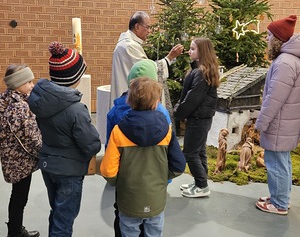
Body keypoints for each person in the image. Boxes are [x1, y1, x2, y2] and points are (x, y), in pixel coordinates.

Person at [28, 42, 101, 236]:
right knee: (65, 219)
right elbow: (90, 143)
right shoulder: (76, 109)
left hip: (48, 164)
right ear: (74, 77)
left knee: (57, 212)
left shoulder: (41, 100)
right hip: (69, 170)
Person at [101, 77, 186, 237]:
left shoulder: (118, 131)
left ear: (130, 101)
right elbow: (179, 165)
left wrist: (119, 183)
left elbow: (108, 171)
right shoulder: (167, 131)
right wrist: (162, 178)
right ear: (156, 103)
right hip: (156, 200)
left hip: (128, 200)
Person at [255, 15, 300, 215]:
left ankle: (279, 203)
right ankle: (281, 197)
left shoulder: (284, 63)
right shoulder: (290, 60)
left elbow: (274, 98)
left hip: (279, 122)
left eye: (269, 35)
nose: (266, 39)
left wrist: (261, 123)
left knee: (276, 163)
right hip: (285, 122)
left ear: (278, 39)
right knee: (283, 161)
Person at [174, 37, 220, 198]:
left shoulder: (201, 73)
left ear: (202, 52)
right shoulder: (199, 70)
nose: (189, 51)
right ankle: (200, 182)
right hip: (201, 118)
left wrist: (178, 113)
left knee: (190, 153)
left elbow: (192, 99)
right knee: (199, 151)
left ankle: (202, 185)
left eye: (193, 49)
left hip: (198, 118)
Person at [109, 10, 184, 109]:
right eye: (147, 27)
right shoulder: (129, 46)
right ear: (137, 27)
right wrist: (169, 58)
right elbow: (147, 71)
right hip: (128, 103)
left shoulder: (130, 43)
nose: (149, 31)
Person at [0, 64, 42, 237]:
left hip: (11, 158)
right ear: (17, 84)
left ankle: (15, 229)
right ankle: (15, 232)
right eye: (28, 81)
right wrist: (43, 152)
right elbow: (30, 138)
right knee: (19, 197)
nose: (32, 85)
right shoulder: (20, 107)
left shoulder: (5, 99)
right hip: (20, 161)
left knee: (17, 196)